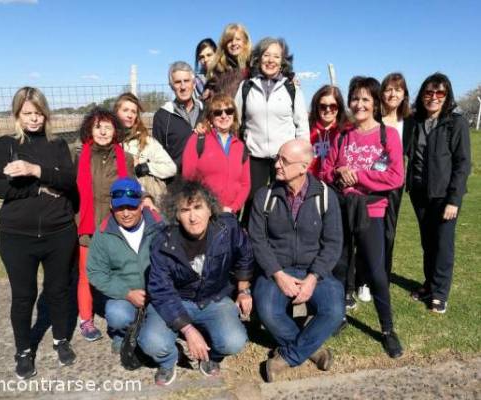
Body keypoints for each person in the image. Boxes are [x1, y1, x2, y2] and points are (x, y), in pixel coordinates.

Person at [0, 87, 77, 379]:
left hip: (59, 232)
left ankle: (61, 339)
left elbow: (68, 180)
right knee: (24, 295)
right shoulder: (6, 144)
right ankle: (24, 350)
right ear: (17, 115)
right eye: (27, 113)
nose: (34, 118)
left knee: (59, 290)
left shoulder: (59, 145)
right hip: (17, 236)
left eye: (38, 112)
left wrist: (35, 169)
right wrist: (38, 187)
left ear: (45, 113)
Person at [320, 76, 404, 358]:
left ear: (376, 103)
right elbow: (325, 171)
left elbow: (395, 176)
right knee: (338, 267)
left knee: (376, 271)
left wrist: (360, 176)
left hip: (372, 210)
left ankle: (387, 329)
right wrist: (339, 173)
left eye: (366, 99)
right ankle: (337, 315)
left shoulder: (387, 135)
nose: (359, 104)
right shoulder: (342, 135)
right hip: (342, 208)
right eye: (355, 98)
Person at [249, 139, 345, 383]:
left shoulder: (326, 196)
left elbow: (333, 244)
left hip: (314, 270)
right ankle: (314, 349)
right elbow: (257, 241)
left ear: (304, 166)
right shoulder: (264, 196)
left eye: (284, 160)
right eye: (277, 158)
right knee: (267, 311)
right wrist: (278, 275)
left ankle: (290, 355)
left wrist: (313, 278)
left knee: (334, 311)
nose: (277, 165)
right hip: (277, 269)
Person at [142, 179, 254, 386]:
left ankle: (212, 356)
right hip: (176, 299)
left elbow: (245, 254)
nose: (193, 217)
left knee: (234, 341)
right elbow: (161, 290)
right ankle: (168, 360)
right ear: (176, 215)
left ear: (210, 209)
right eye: (185, 210)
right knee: (151, 343)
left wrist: (243, 289)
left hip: (215, 297)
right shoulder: (163, 242)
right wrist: (188, 330)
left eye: (198, 207)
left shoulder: (227, 228)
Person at [407, 72, 471, 314]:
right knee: (428, 243)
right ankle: (429, 284)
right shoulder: (415, 121)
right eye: (429, 93)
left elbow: (462, 164)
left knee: (443, 244)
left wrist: (454, 199)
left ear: (446, 96)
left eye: (439, 93)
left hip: (445, 196)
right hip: (420, 193)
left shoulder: (456, 123)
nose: (433, 97)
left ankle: (440, 293)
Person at [75, 107, 134, 342]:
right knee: (85, 275)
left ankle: (120, 317)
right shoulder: (79, 156)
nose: (102, 131)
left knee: (117, 273)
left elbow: (131, 189)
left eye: (108, 127)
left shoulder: (125, 159)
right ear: (90, 128)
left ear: (115, 131)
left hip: (114, 226)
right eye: (98, 126)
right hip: (87, 226)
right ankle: (86, 320)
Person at [235, 37, 309, 222]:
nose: (270, 60)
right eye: (266, 55)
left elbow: (301, 124)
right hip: (254, 156)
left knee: (283, 203)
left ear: (282, 61)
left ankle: (281, 244)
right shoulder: (247, 87)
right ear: (258, 58)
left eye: (276, 56)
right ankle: (248, 244)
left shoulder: (292, 88)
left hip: (285, 158)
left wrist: (303, 157)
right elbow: (235, 121)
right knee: (252, 204)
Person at [87, 177, 162, 353]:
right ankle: (121, 333)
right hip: (124, 295)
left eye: (131, 207)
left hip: (158, 293)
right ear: (112, 207)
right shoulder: (103, 233)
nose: (126, 213)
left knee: (155, 344)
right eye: (120, 208)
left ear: (142, 204)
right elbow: (95, 272)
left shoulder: (160, 225)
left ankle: (147, 327)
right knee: (117, 315)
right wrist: (126, 293)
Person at [182, 93, 250, 213]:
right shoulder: (198, 140)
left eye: (229, 111)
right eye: (218, 112)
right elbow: (188, 178)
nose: (224, 116)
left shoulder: (240, 147)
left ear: (234, 115)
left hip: (230, 213)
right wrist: (203, 207)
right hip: (204, 212)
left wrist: (233, 207)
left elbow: (245, 184)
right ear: (210, 117)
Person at [378, 72, 415, 282]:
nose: (393, 94)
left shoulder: (409, 121)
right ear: (382, 93)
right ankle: (363, 278)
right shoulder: (374, 118)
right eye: (389, 89)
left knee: (389, 231)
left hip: (394, 184)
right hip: (371, 181)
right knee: (368, 230)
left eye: (398, 89)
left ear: (404, 94)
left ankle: (383, 273)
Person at [114, 93, 176, 206]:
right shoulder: (107, 140)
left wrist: (145, 167)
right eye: (125, 110)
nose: (130, 115)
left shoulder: (147, 142)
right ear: (116, 112)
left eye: (133, 112)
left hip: (143, 201)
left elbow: (171, 168)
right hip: (116, 200)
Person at [152, 62, 204, 172]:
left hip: (205, 182)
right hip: (176, 184)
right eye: (177, 82)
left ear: (194, 84)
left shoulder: (206, 112)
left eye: (186, 81)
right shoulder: (162, 116)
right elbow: (156, 156)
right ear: (171, 87)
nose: (183, 86)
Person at [307, 85, 347, 178]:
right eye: (323, 106)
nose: (328, 110)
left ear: (339, 107)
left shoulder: (347, 131)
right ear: (316, 107)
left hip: (336, 183)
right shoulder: (307, 130)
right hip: (311, 183)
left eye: (333, 106)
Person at [206, 23, 252, 98]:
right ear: (224, 44)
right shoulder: (218, 68)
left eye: (238, 39)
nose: (234, 43)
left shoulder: (253, 64)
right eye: (230, 40)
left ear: (245, 42)